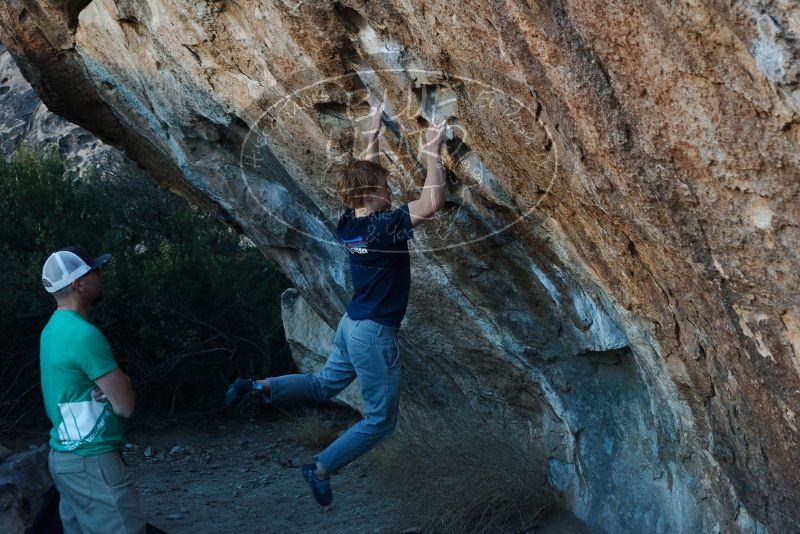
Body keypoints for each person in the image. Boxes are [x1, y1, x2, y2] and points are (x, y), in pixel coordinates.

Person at [226, 98, 448, 506]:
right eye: (385, 186)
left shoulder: (350, 222)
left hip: (351, 325)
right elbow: (431, 203)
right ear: (370, 193)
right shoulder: (383, 226)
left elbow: (366, 171)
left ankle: (259, 386)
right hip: (373, 333)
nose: (391, 189)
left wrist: (373, 132)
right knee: (381, 421)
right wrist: (432, 152)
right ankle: (322, 467)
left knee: (326, 384)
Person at [39, 246, 146, 534]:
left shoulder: (51, 329)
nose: (101, 276)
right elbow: (125, 405)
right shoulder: (84, 334)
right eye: (95, 270)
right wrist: (125, 383)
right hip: (93, 461)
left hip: (63, 458)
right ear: (78, 283)